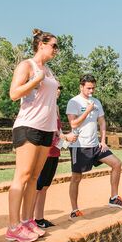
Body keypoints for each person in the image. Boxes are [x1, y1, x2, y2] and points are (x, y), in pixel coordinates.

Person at [6, 29, 59, 242]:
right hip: (28, 126)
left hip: (47, 128)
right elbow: (13, 94)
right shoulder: (27, 66)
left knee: (35, 178)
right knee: (23, 175)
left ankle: (27, 221)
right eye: (53, 45)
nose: (57, 49)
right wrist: (35, 79)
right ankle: (13, 226)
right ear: (41, 45)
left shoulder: (49, 70)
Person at [67, 74, 122, 217]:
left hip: (96, 145)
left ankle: (114, 197)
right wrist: (88, 111)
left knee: (117, 163)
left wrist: (103, 141)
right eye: (88, 88)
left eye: (93, 88)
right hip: (79, 146)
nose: (91, 91)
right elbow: (73, 123)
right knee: (76, 177)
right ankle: (74, 209)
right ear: (81, 87)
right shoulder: (74, 102)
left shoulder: (96, 102)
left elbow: (102, 122)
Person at [31, 84, 78, 229]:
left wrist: (65, 138)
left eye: (59, 89)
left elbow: (57, 130)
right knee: (36, 187)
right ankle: (28, 220)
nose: (58, 91)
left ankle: (39, 218)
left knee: (45, 186)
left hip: (54, 150)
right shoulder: (43, 106)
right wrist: (65, 137)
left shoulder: (56, 108)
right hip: (43, 150)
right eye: (55, 88)